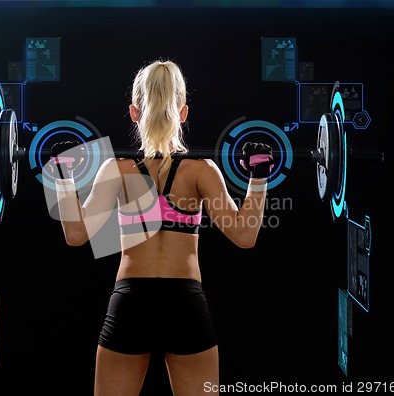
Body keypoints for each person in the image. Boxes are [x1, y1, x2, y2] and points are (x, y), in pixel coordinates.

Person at [50, 59, 274, 396]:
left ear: (133, 112)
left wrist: (62, 175)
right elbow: (244, 236)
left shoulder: (119, 169)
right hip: (184, 304)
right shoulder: (201, 170)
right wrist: (259, 177)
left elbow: (75, 235)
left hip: (131, 302)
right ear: (182, 112)